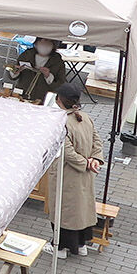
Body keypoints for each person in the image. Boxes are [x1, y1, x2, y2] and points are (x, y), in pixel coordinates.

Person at [47, 84, 102, 258]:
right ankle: (81, 244)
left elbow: (68, 152)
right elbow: (97, 142)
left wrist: (86, 163)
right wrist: (94, 160)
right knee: (82, 210)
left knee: (65, 211)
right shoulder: (86, 118)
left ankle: (61, 248)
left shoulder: (62, 122)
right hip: (85, 175)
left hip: (67, 174)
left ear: (59, 100)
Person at [8, 37, 66, 102]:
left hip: (42, 98)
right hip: (21, 94)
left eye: (48, 42)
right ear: (36, 43)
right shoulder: (27, 55)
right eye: (42, 41)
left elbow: (60, 85)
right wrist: (15, 71)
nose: (44, 45)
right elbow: (12, 76)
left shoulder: (57, 62)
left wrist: (48, 76)